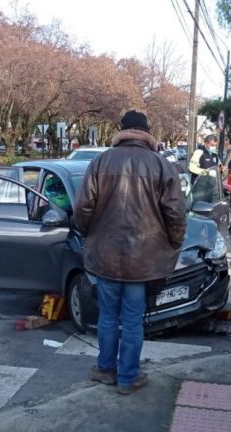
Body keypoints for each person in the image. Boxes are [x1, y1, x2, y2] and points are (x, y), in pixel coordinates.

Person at [73, 110, 187, 395]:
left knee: (108, 316)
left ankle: (105, 370)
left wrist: (90, 235)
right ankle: (128, 378)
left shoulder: (100, 161)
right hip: (143, 259)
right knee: (134, 319)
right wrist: (173, 243)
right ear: (147, 133)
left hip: (106, 255)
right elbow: (176, 213)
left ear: (121, 131)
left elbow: (82, 208)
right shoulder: (160, 164)